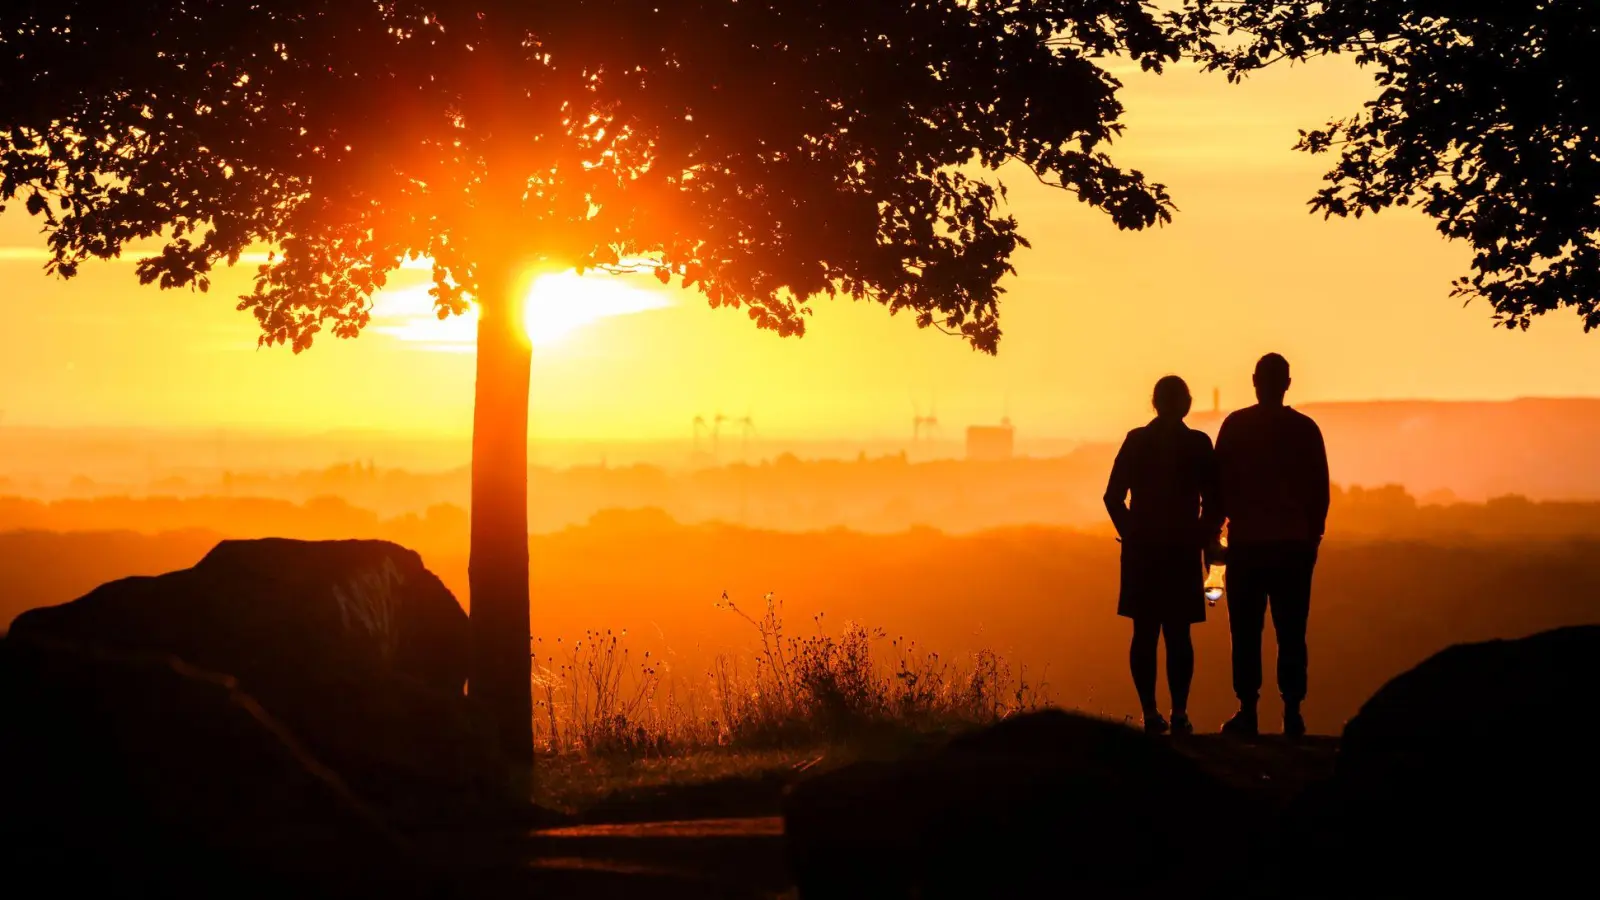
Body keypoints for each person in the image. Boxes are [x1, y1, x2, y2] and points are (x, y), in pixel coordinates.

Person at [1214, 353, 1329, 738]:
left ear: (1254, 381)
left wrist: (1214, 538)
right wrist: (1313, 537)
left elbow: (1218, 488)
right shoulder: (1305, 429)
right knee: (1292, 630)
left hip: (1246, 543)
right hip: (1293, 546)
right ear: (1288, 384)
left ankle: (1247, 710)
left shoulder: (1236, 426)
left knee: (1245, 631)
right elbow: (1320, 491)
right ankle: (1292, 711)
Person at [1104, 375, 1222, 735]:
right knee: (1179, 634)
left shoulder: (1137, 441)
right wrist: (1202, 539)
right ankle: (1179, 712)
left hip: (1143, 553)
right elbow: (1215, 501)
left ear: (1154, 403)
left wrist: (1133, 533)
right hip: (1181, 551)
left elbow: (1112, 497)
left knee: (1145, 632)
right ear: (1186, 404)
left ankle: (1151, 713)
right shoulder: (1198, 444)